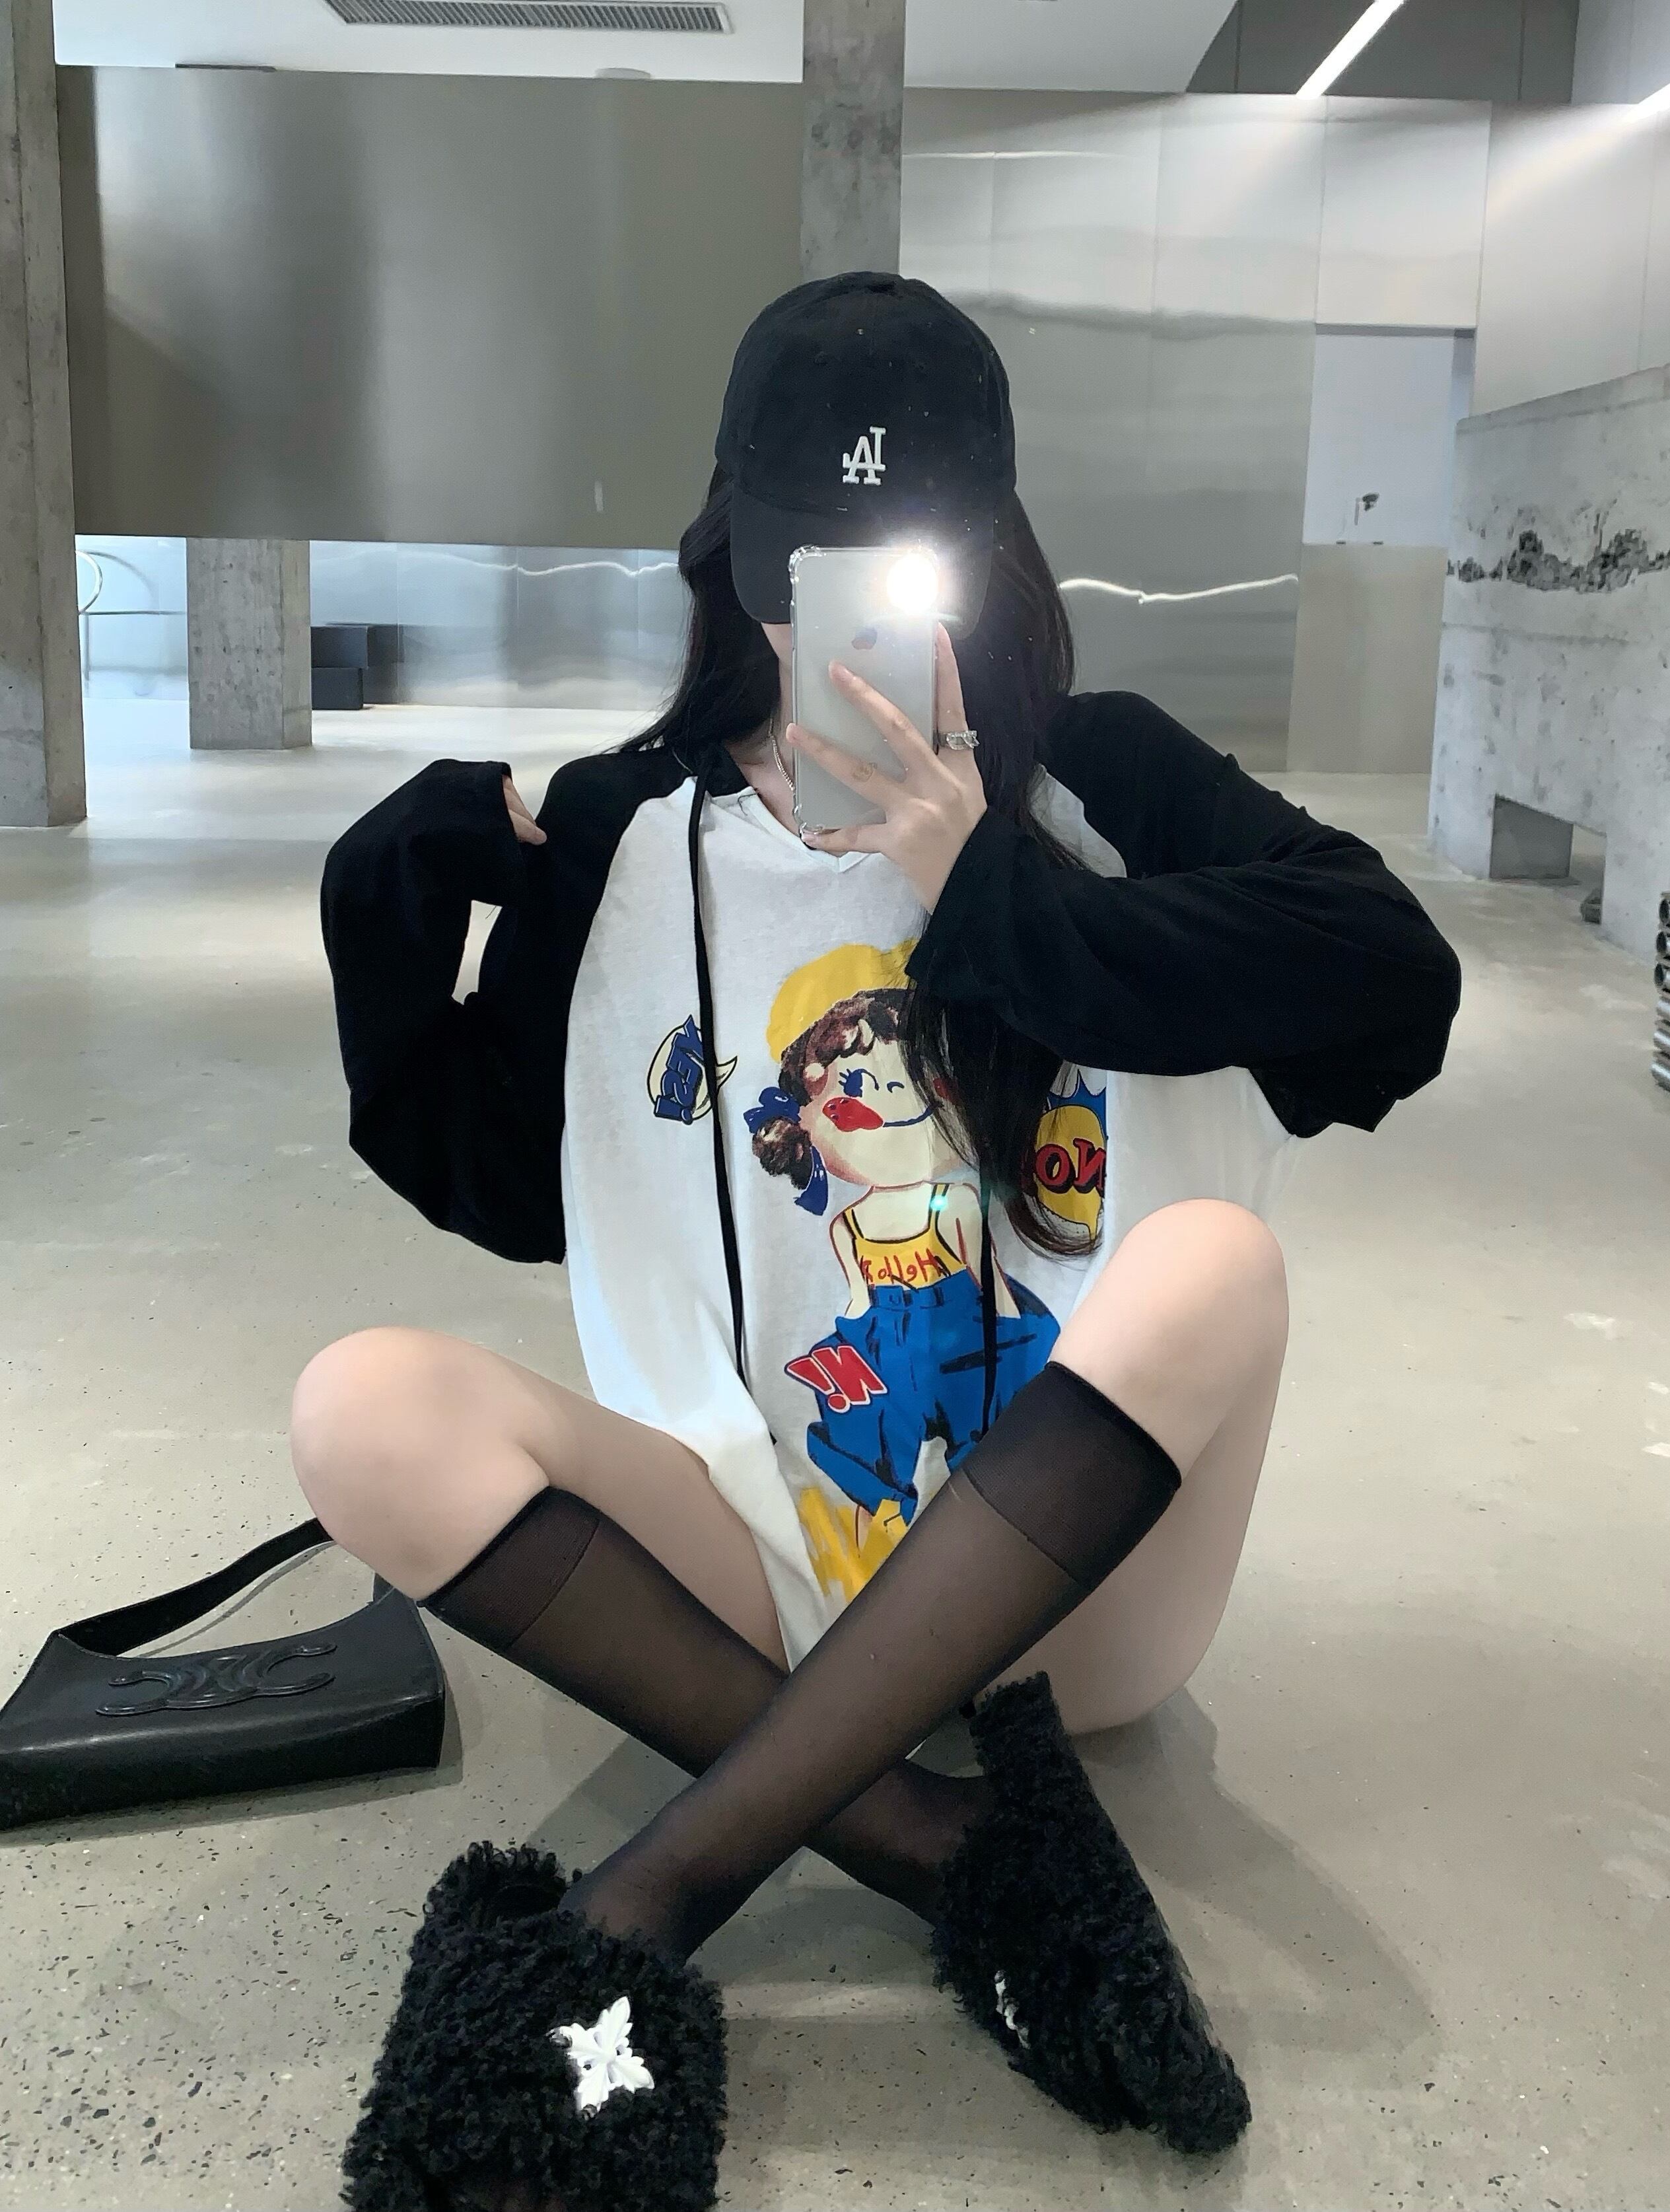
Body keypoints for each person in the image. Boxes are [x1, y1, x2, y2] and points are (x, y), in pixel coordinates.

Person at [294, 272, 1461, 2212]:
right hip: (766, 1562)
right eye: (791, 568)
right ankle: (946, 1850)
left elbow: (1391, 986)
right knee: (361, 1410)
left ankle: (647, 1903)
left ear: (989, 555)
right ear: (729, 549)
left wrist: (982, 878)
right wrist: (436, 859)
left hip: (1072, 1611)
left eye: (885, 568)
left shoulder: (1101, 779)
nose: (813, 618)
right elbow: (503, 1177)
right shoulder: (637, 831)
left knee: (1213, 1266)